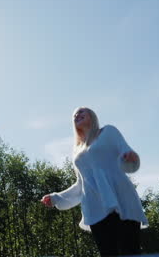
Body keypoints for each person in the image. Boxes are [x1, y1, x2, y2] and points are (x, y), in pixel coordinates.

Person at [41, 107, 148, 257]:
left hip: (122, 200)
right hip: (95, 208)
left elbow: (126, 153)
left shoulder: (108, 132)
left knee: (129, 250)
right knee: (107, 252)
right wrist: (57, 197)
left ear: (92, 116)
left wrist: (130, 158)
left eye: (81, 112)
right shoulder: (77, 152)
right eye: (74, 115)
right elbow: (81, 185)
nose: (77, 115)